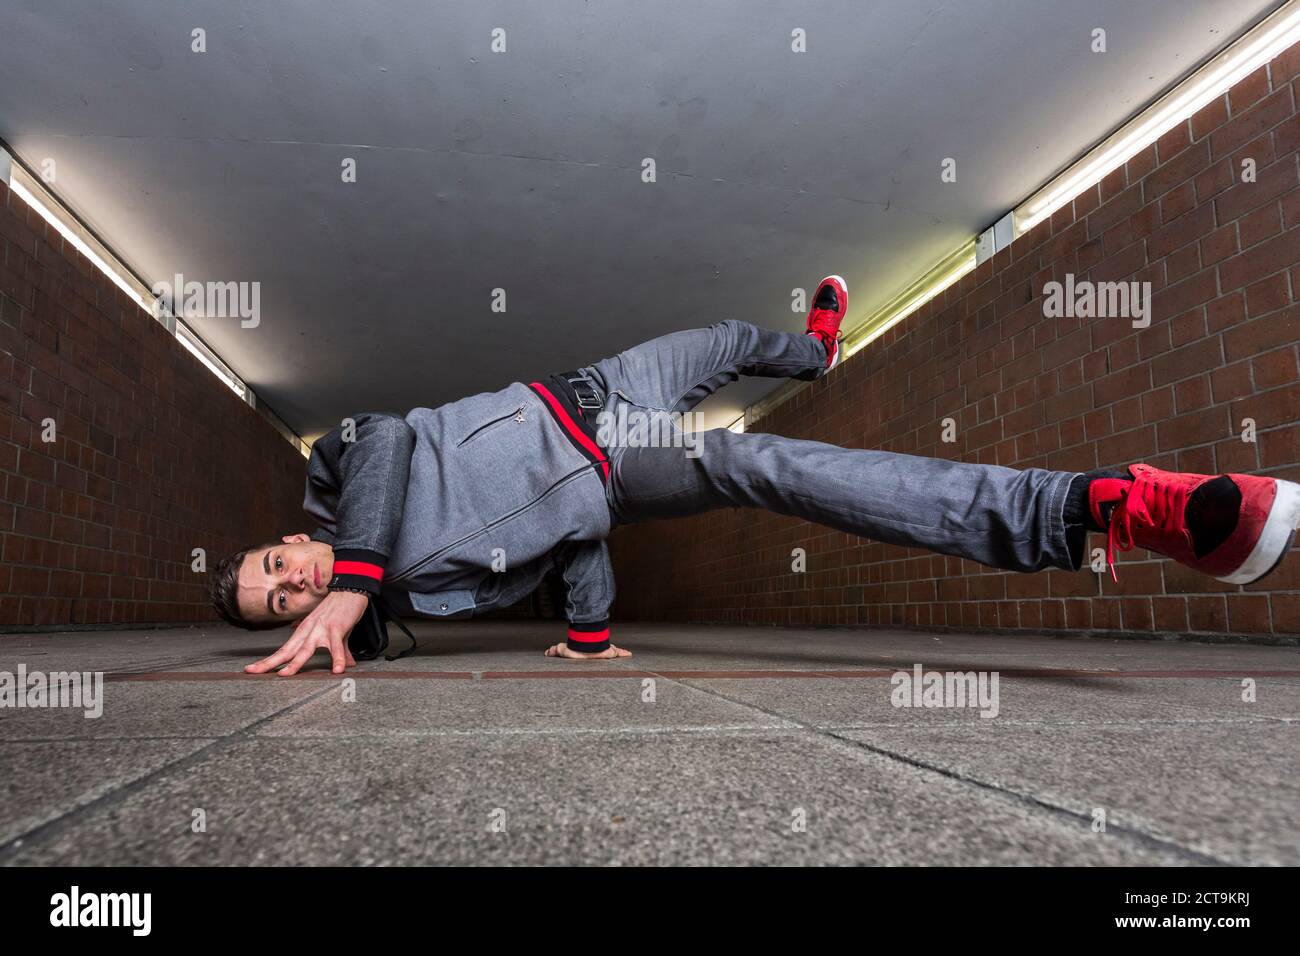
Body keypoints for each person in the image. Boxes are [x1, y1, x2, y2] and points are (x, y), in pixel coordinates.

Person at [209, 276, 1300, 675]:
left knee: (731, 334)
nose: (294, 584)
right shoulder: (425, 592)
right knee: (752, 461)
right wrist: (588, 634)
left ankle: (814, 351)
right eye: (284, 607)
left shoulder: (339, 471)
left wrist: (352, 572)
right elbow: (573, 539)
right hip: (624, 465)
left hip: (590, 387)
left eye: (274, 567)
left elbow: (398, 438)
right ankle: (1097, 505)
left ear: (286, 535)